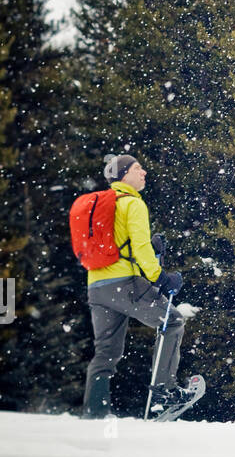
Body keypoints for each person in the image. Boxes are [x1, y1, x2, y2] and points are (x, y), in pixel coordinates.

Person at [81, 153, 190, 418]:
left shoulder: (101, 205)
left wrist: (152, 252)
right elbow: (138, 249)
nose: (144, 173)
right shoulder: (132, 203)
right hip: (124, 284)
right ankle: (165, 395)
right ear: (123, 175)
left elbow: (123, 245)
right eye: (137, 168)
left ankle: (93, 413)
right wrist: (161, 277)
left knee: (105, 352)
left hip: (97, 287)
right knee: (172, 321)